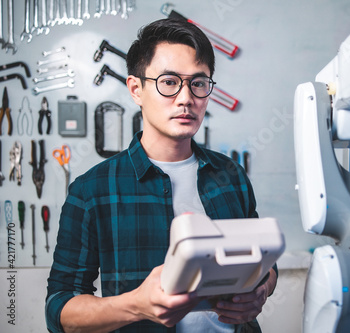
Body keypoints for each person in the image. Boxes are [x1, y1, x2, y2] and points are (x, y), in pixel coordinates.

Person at [46, 18, 277, 333]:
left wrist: (261, 290)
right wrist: (134, 305)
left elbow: (264, 264)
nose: (186, 98)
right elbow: (59, 310)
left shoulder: (230, 175)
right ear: (136, 89)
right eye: (169, 82)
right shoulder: (91, 191)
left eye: (198, 82)